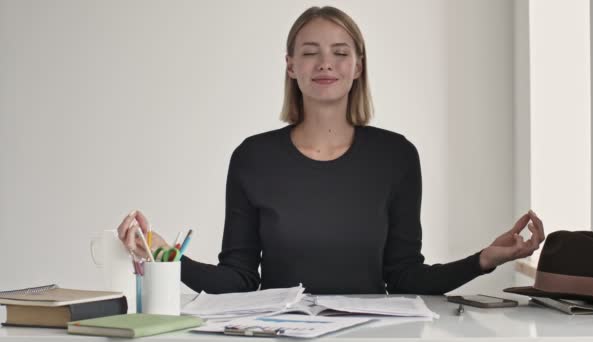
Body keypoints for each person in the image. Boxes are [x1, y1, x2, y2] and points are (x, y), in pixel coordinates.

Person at [117, 6, 545, 295]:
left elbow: (403, 276)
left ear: (358, 67)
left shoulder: (396, 157)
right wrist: (164, 256)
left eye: (340, 53)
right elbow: (241, 280)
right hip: (279, 334)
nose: (325, 64)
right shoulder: (252, 157)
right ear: (291, 66)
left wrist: (485, 259)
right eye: (310, 53)